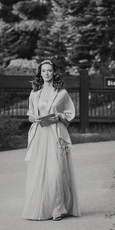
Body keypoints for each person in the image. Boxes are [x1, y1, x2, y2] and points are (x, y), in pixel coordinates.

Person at [22, 60, 80, 221]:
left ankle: (58, 208)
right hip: (40, 135)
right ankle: (42, 207)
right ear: (40, 73)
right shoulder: (35, 94)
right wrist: (35, 119)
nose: (47, 73)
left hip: (55, 134)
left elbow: (70, 113)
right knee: (40, 171)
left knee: (56, 171)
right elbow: (30, 115)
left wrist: (59, 116)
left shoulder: (62, 93)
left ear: (54, 72)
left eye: (49, 71)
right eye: (44, 71)